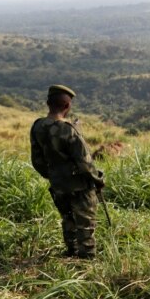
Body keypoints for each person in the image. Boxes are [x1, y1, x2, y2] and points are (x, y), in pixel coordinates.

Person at [30, 85, 105, 259]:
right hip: (79, 186)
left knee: (68, 220)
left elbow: (37, 161)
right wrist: (98, 180)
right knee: (85, 224)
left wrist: (54, 175)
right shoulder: (69, 130)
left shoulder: (37, 127)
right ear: (67, 106)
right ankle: (86, 262)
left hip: (58, 184)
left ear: (48, 103)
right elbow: (85, 164)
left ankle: (71, 253)